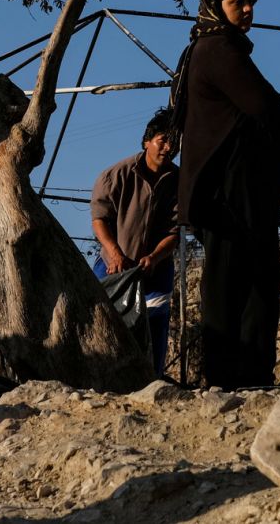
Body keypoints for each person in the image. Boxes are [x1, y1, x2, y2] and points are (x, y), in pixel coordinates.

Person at [174, 0, 280, 390]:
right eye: (237, 2)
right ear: (216, 5)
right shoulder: (217, 50)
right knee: (231, 284)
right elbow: (261, 103)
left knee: (258, 280)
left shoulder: (222, 49)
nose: (248, 9)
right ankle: (227, 376)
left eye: (250, 2)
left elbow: (250, 115)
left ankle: (251, 375)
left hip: (244, 192)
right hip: (228, 194)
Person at [90, 108, 180, 373]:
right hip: (113, 266)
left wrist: (155, 257)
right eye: (162, 139)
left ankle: (153, 380)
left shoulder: (179, 181)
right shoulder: (116, 175)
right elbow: (99, 219)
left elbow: (174, 233)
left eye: (173, 141)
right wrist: (114, 253)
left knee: (155, 329)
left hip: (155, 270)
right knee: (104, 326)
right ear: (147, 142)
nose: (168, 147)